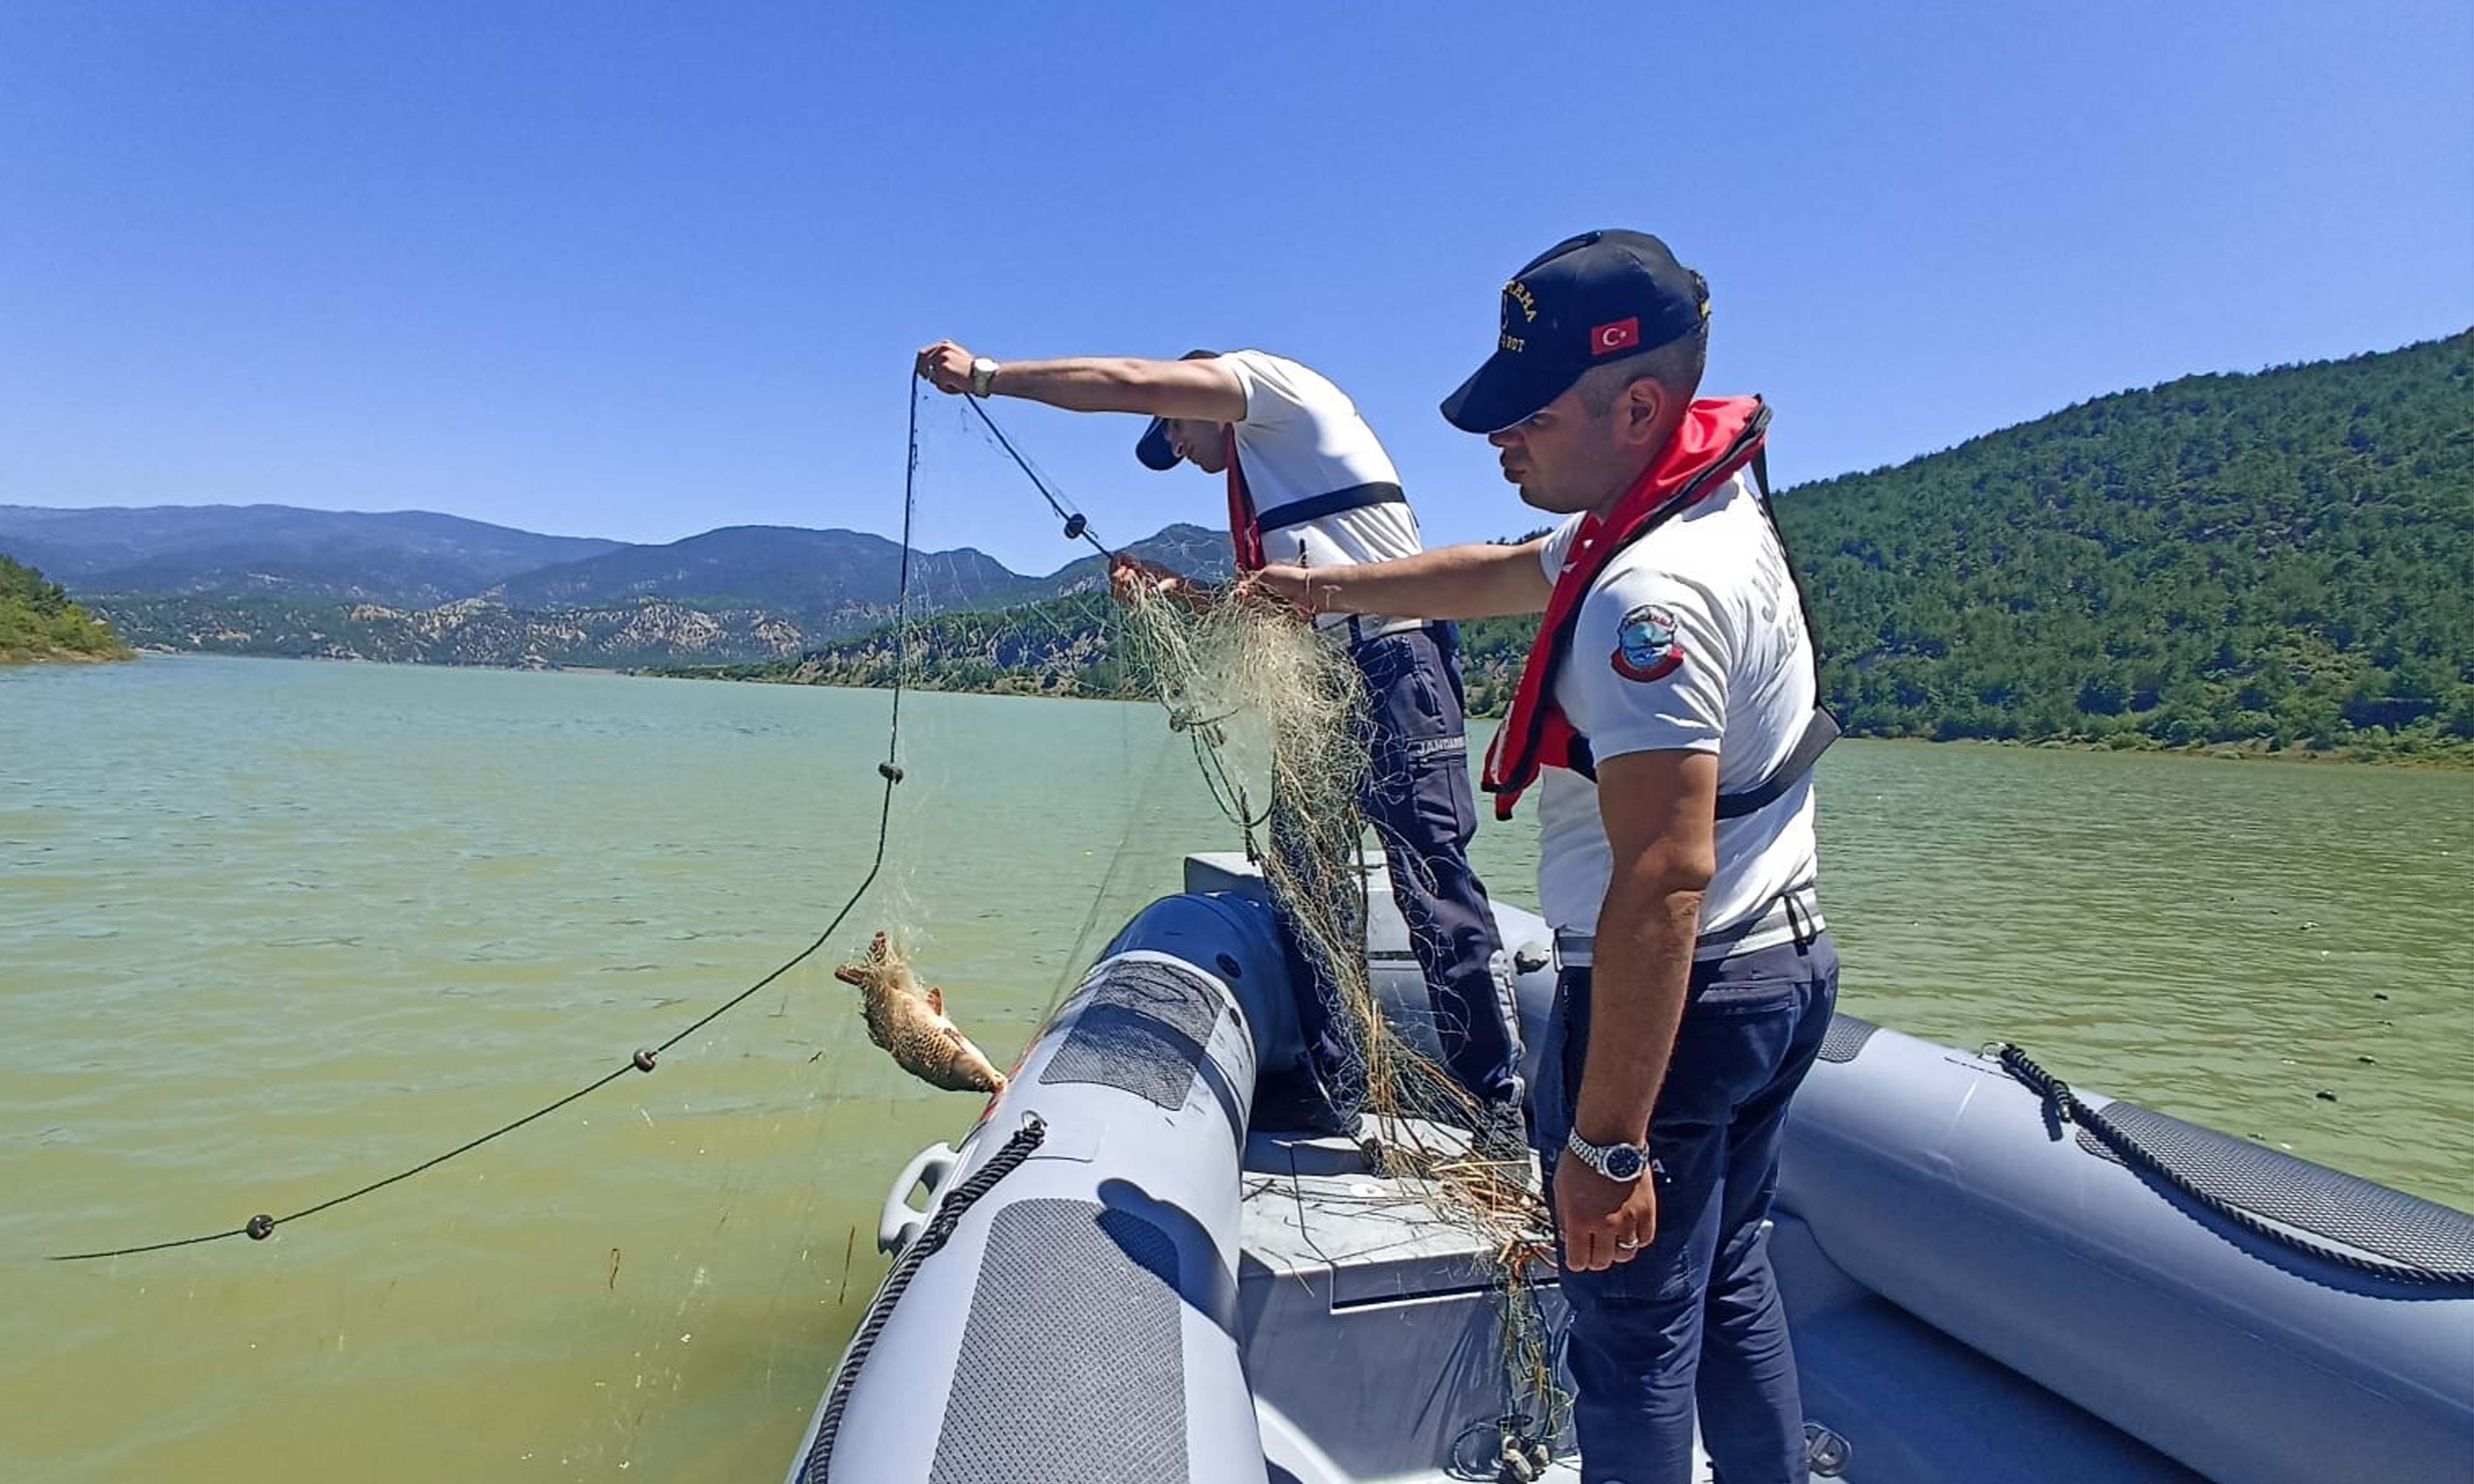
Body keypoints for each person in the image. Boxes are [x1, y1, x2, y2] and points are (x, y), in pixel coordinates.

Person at [1240, 231, 1841, 1484]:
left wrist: (1610, 1146)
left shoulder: (1649, 598)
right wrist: (1326, 595)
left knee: (1627, 1342)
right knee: (1728, 1283)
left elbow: (1666, 877)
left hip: (1685, 1008)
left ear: (1638, 404)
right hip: (1786, 965)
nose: (1497, 436)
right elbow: (1512, 572)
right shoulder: (1687, 509)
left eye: (1528, 412)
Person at [913, 338, 1525, 1144]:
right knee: (1306, 886)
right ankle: (1334, 1087)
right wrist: (1178, 592)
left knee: (1430, 879)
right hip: (1319, 682)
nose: (1174, 446)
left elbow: (1127, 382)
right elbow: (1268, 611)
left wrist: (989, 379)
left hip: (1390, 660)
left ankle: (1498, 1100)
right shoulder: (1267, 490)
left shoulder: (1276, 390)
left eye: (1173, 428)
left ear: (1199, 393)